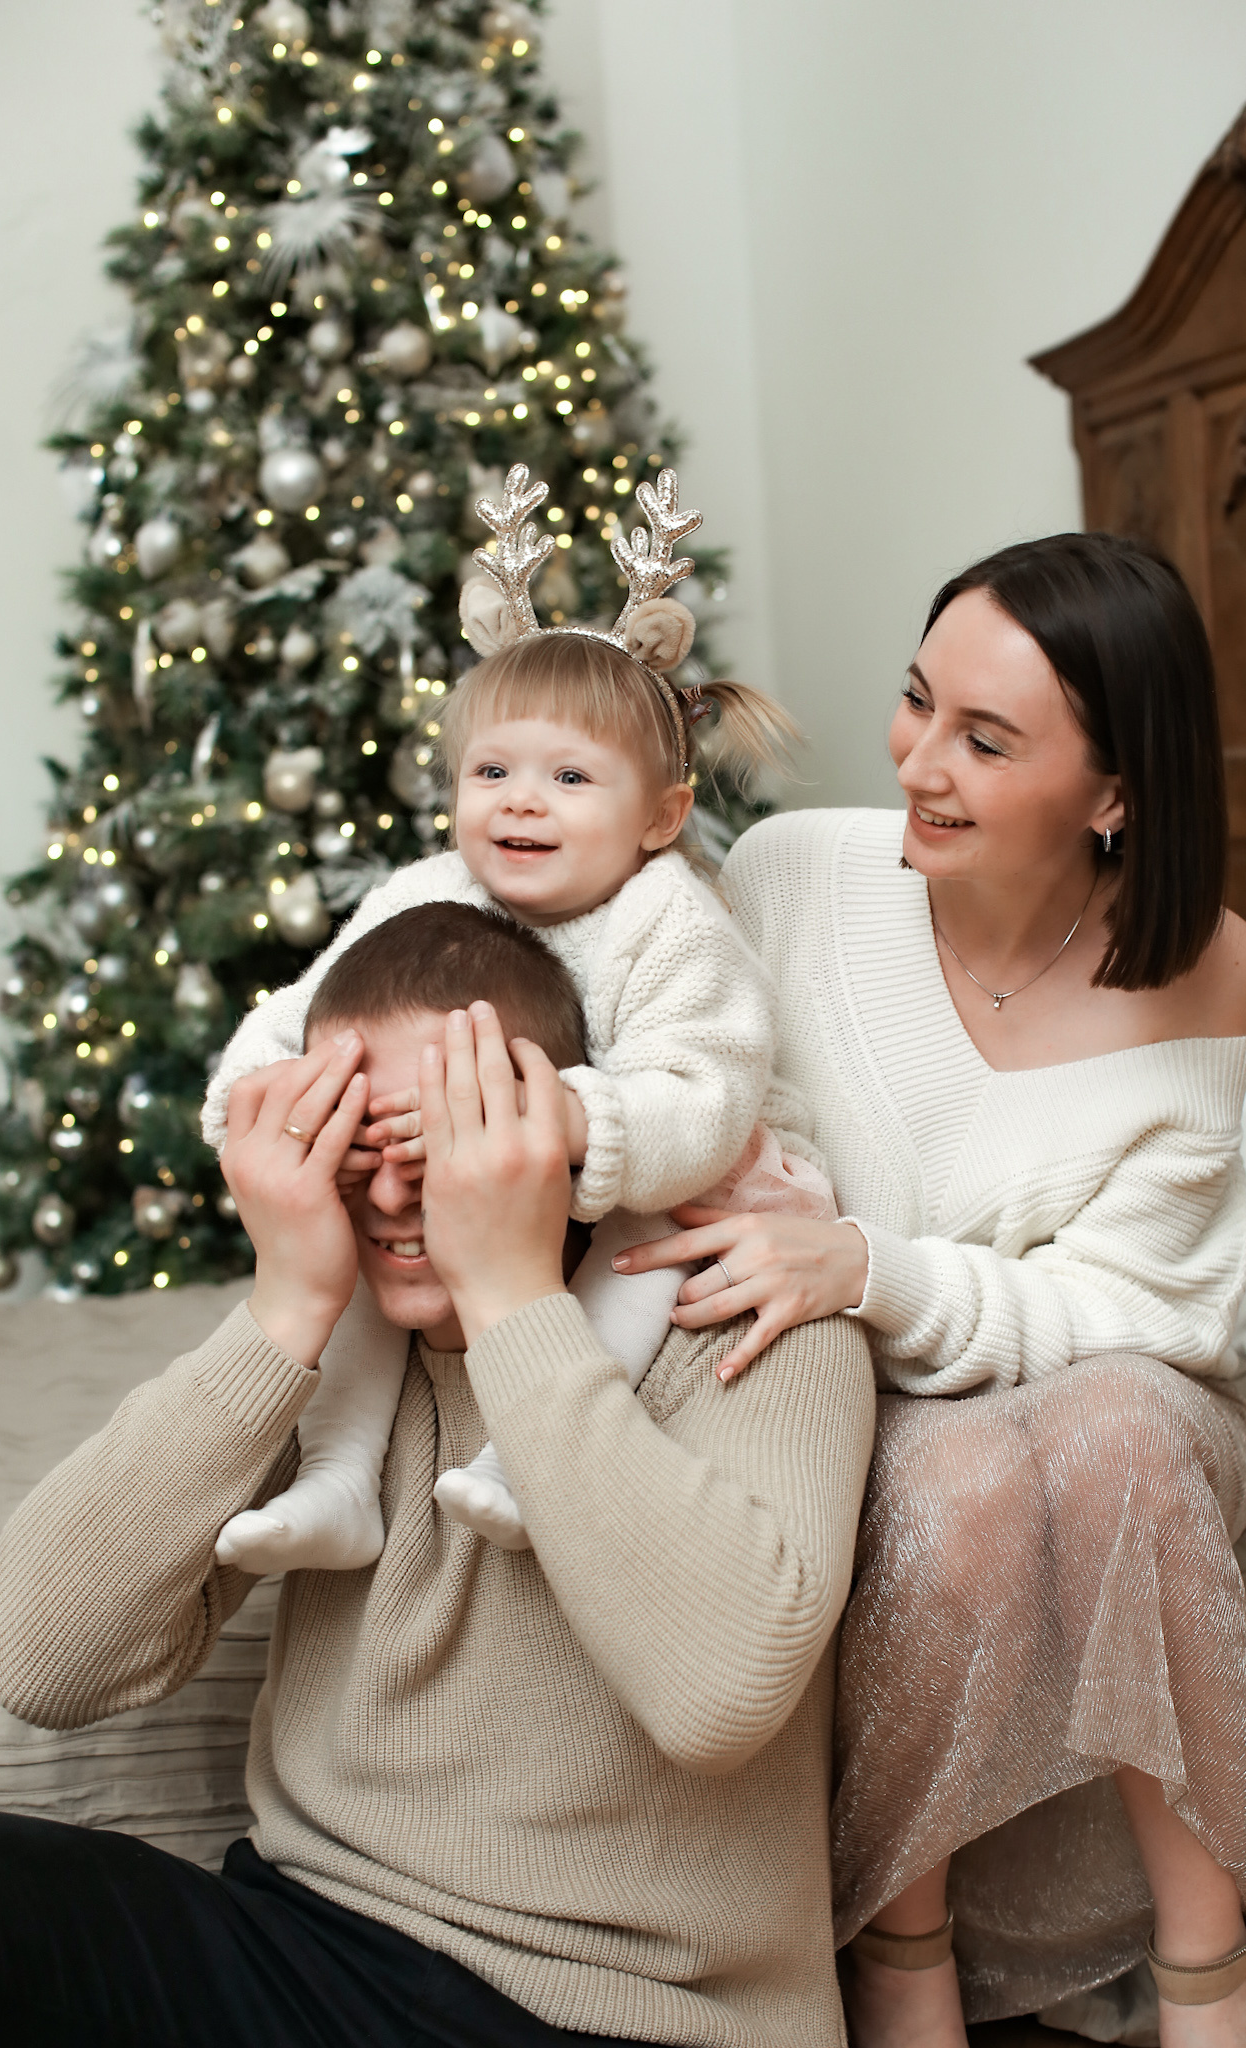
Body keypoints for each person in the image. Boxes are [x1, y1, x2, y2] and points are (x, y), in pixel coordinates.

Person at [0, 901, 875, 2048]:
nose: (395, 1198)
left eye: (440, 1146)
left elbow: (719, 1695)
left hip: (622, 2015)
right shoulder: (336, 1336)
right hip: (303, 1942)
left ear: (553, 1130)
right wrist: (285, 1304)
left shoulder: (751, 1314)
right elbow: (43, 1659)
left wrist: (507, 1292)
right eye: (355, 1153)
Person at [614, 532, 1246, 2048]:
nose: (916, 762)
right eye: (917, 702)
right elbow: (692, 1104)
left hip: (1120, 1401)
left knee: (1120, 1429)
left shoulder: (1207, 966)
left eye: (985, 739)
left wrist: (874, 1266)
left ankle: (1208, 1955)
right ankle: (902, 1953)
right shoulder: (789, 876)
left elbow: (1140, 1306)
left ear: (1115, 794)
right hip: (863, 1402)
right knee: (957, 1485)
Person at [203, 461, 833, 1563]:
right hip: (479, 1161)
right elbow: (308, 1014)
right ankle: (340, 1476)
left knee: (645, 1251)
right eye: (491, 770)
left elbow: (706, 1094)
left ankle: (522, 1458)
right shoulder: (424, 890)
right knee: (364, 1245)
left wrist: (570, 1116)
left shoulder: (670, 921)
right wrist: (258, 1101)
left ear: (661, 817)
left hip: (680, 1170)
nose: (520, 801)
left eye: (570, 779)